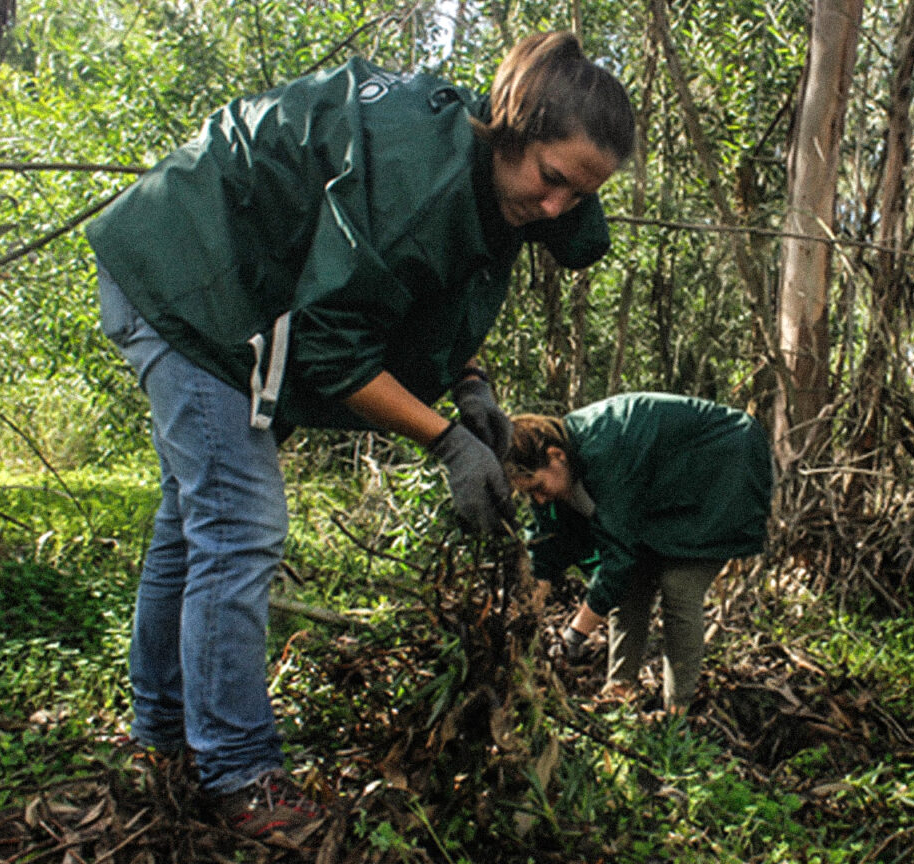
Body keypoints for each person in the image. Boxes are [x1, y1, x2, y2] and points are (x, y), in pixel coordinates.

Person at [86, 32, 634, 838]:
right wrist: (446, 440)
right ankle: (239, 772)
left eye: (579, 197)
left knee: (192, 523)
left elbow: (449, 286)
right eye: (551, 180)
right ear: (510, 128)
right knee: (239, 527)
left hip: (232, 290)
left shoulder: (506, 186)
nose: (556, 207)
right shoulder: (418, 180)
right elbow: (330, 346)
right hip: (190, 278)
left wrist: (473, 384)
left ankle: (163, 738)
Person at [506, 393, 772, 714]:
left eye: (536, 487)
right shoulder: (563, 471)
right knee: (631, 584)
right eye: (527, 493)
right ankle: (619, 690)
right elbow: (546, 546)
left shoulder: (604, 450)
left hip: (723, 467)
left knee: (679, 587)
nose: (537, 500)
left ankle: (677, 712)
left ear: (556, 455)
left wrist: (575, 634)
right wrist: (526, 616)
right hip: (667, 489)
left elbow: (618, 556)